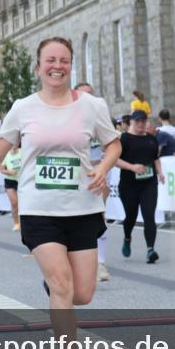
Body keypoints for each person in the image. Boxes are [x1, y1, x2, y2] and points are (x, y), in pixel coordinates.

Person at [0, 37, 121, 349]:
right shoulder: (23, 108)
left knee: (82, 294)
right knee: (62, 285)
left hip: (83, 208)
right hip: (39, 211)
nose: (58, 66)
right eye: (50, 60)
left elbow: (114, 143)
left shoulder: (91, 106)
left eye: (64, 60)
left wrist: (104, 166)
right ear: (38, 67)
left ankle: (57, 292)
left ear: (71, 65)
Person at [116, 110, 165, 264]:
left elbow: (155, 158)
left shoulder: (151, 139)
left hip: (149, 183)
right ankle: (127, 238)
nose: (140, 124)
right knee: (130, 216)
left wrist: (160, 173)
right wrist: (132, 167)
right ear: (131, 122)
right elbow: (114, 160)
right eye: (137, 121)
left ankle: (150, 249)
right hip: (129, 184)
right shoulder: (123, 139)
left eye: (143, 121)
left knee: (149, 215)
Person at [76, 82, 112, 282]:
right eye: (82, 94)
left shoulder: (100, 117)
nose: (87, 98)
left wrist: (104, 168)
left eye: (90, 94)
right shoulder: (68, 120)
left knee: (100, 216)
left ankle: (100, 263)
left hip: (97, 174)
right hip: (74, 175)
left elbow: (113, 147)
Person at [0, 145, 22, 232]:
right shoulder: (6, 155)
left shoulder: (22, 151)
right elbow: (1, 170)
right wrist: (10, 171)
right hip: (10, 180)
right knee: (14, 203)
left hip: (22, 179)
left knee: (23, 203)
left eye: (15, 142)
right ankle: (16, 223)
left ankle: (24, 223)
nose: (13, 145)